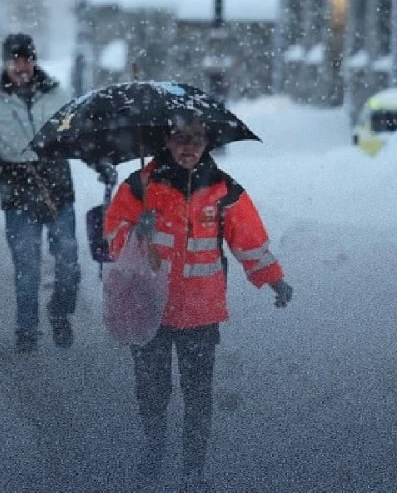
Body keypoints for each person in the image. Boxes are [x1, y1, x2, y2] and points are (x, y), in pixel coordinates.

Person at [102, 116, 293, 482]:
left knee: (198, 397)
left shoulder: (224, 189)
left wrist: (273, 279)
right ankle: (154, 448)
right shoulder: (140, 186)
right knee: (152, 391)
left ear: (208, 143)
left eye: (197, 139)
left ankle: (193, 467)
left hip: (201, 311)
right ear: (166, 141)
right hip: (148, 307)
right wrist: (134, 231)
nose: (188, 147)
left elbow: (248, 240)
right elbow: (112, 236)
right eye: (179, 138)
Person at [0, 32, 114, 352]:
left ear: (34, 60)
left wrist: (100, 163)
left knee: (68, 261)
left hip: (56, 189)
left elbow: (80, 137)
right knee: (28, 267)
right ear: (5, 63)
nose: (20, 67)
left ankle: (60, 313)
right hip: (17, 191)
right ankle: (26, 330)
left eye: (26, 59)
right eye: (14, 60)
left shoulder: (58, 94)